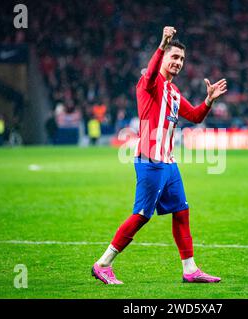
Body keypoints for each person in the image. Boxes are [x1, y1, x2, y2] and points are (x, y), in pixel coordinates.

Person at [92, 27, 227, 284]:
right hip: (150, 162)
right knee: (142, 215)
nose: (178, 62)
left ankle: (190, 270)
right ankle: (102, 264)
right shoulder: (149, 84)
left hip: (169, 163)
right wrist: (162, 43)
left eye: (181, 59)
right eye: (173, 57)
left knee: (181, 211)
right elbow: (152, 71)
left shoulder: (174, 93)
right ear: (164, 57)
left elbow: (196, 116)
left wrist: (209, 100)